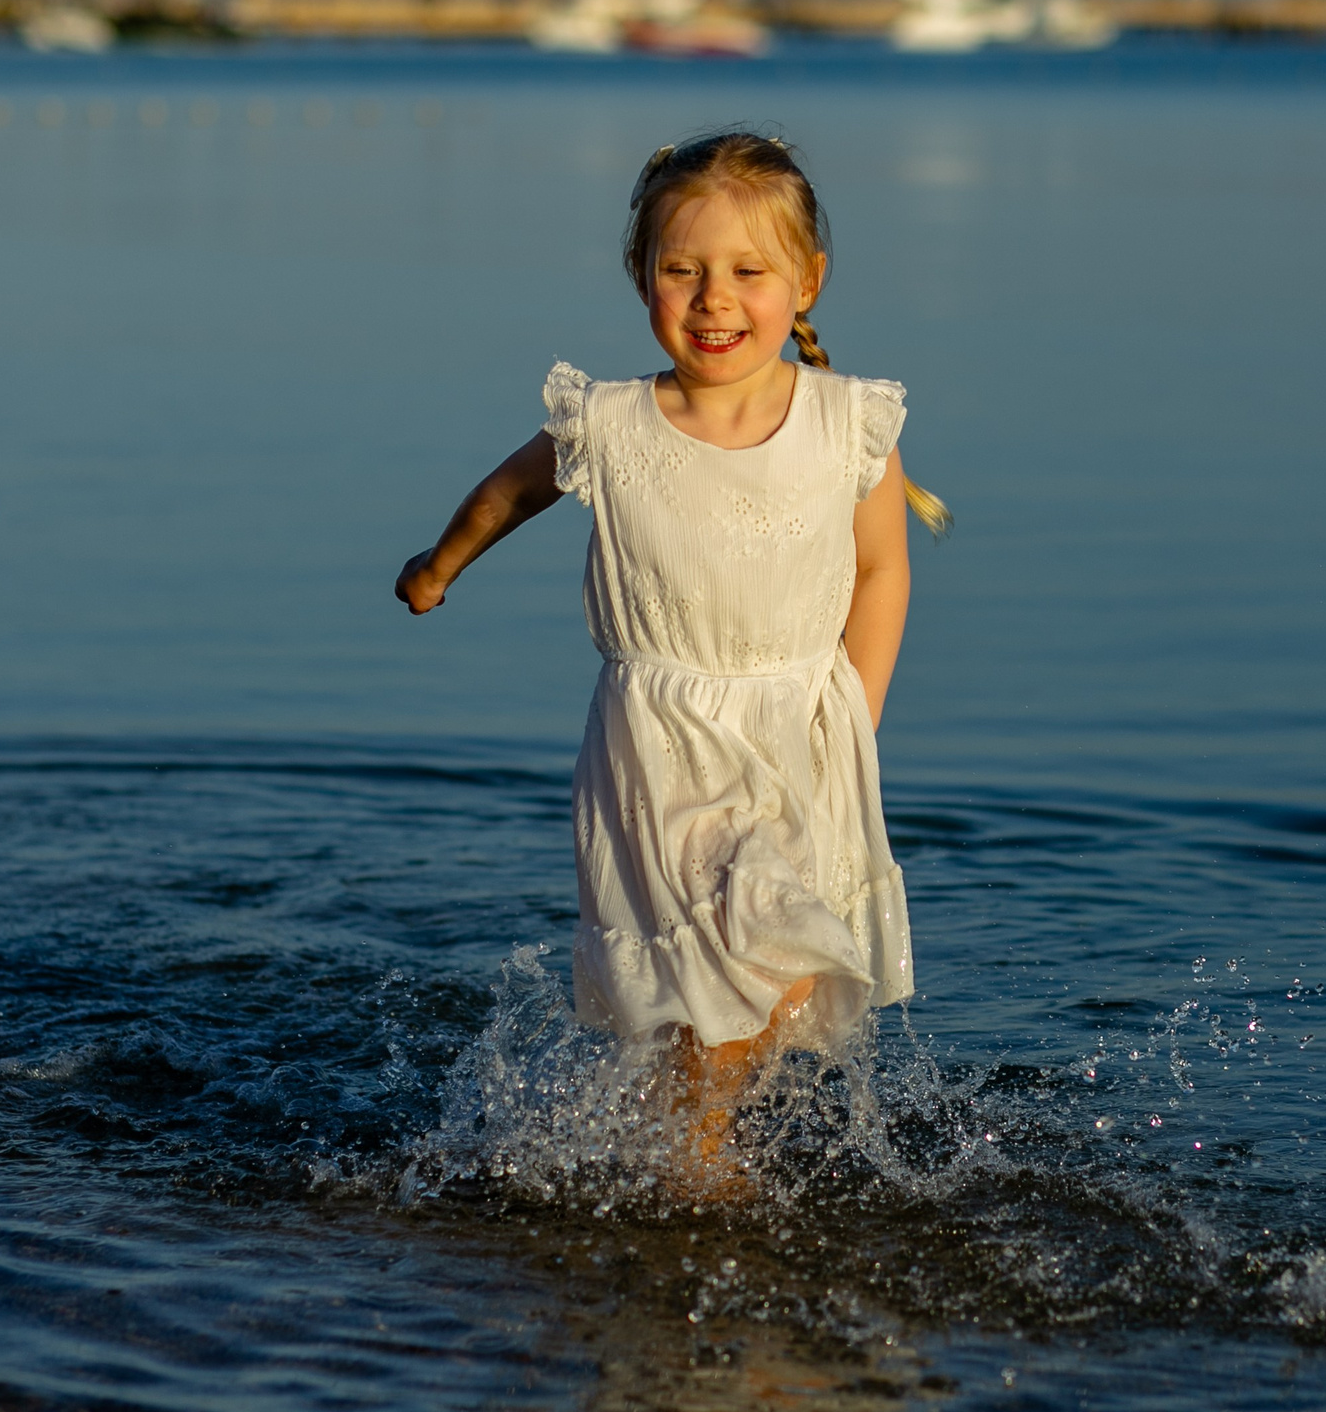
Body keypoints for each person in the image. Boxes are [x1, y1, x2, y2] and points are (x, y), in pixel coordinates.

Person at [393, 130, 948, 1176]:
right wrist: (441, 560)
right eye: (682, 271)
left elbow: (882, 574)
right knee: (742, 955)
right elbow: (511, 487)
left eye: (747, 272)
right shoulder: (613, 424)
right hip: (661, 744)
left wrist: (856, 718)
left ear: (805, 281)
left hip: (805, 735)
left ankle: (670, 1143)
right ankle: (699, 1166)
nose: (713, 300)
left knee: (767, 977)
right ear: (640, 276)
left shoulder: (846, 423)